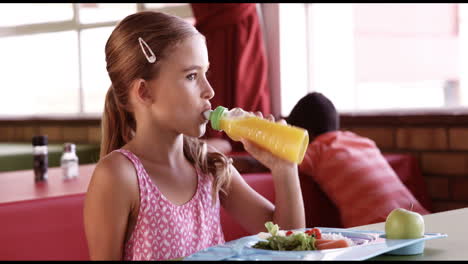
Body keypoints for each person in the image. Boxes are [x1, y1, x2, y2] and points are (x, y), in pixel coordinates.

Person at [83, 11, 305, 261]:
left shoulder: (209, 163)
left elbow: (289, 247)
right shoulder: (118, 175)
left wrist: (284, 168)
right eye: (191, 76)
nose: (209, 91)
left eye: (205, 74)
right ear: (144, 92)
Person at [286, 92, 429, 228]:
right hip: (420, 220)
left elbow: (284, 163)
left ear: (304, 134)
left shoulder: (317, 151)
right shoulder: (361, 141)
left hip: (377, 229)